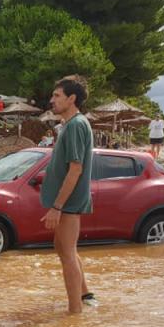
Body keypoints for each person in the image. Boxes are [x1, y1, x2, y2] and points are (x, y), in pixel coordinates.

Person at [40, 75, 95, 314]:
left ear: (71, 99)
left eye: (57, 96)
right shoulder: (71, 125)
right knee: (65, 249)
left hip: (68, 204)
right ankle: (85, 295)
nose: (52, 100)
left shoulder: (75, 125)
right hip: (67, 202)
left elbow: (76, 169)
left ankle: (74, 314)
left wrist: (57, 206)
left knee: (68, 252)